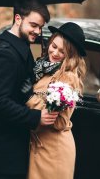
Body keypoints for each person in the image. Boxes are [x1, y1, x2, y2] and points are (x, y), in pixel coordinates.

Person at [0, 0, 59, 179]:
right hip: (4, 150)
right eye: (33, 25)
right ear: (18, 19)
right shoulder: (4, 53)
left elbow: (31, 76)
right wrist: (36, 117)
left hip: (16, 144)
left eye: (40, 27)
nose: (37, 31)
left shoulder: (25, 46)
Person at [26, 22, 87, 179]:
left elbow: (60, 121)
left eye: (62, 51)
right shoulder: (41, 68)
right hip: (38, 146)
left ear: (70, 55)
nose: (54, 53)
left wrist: (27, 99)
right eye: (53, 46)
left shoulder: (68, 77)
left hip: (54, 150)